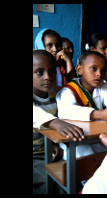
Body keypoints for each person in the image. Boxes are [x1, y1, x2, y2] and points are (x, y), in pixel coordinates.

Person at [56, 51, 107, 159]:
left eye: (103, 70)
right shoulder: (69, 90)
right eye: (93, 68)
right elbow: (65, 111)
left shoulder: (104, 86)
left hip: (98, 136)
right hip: (77, 141)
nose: (99, 74)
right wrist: (99, 114)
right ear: (79, 69)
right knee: (87, 155)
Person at [33, 50, 84, 193]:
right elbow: (35, 114)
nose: (47, 77)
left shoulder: (58, 93)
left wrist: (55, 142)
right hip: (34, 154)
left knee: (75, 176)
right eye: (39, 72)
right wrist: (56, 123)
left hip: (53, 151)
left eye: (52, 71)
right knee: (49, 182)